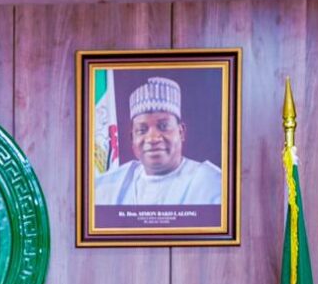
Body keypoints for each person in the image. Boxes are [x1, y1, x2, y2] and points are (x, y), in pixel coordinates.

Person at [95, 76, 222, 206]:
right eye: (142, 130)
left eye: (163, 126)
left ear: (181, 132)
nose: (152, 138)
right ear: (132, 138)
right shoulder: (110, 186)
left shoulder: (211, 184)